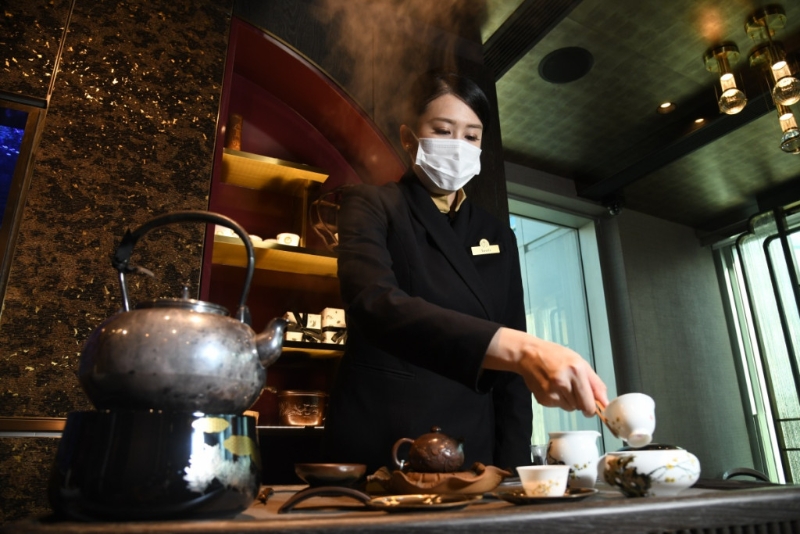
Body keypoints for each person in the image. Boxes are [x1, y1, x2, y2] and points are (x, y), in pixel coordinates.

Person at [323, 71, 608, 474]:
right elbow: (373, 303)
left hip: (472, 444)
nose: (458, 146)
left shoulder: (497, 234)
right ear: (409, 138)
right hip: (386, 435)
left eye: (471, 136)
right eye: (443, 131)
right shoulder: (371, 205)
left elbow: (511, 379)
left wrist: (514, 468)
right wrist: (520, 349)